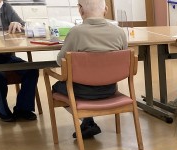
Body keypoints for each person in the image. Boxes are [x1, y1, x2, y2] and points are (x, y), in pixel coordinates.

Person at [52, 0, 127, 139]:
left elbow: (61, 62)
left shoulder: (76, 32)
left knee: (56, 88)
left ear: (80, 10)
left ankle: (87, 121)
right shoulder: (119, 32)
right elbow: (123, 59)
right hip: (110, 89)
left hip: (82, 92)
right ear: (106, 9)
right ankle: (88, 123)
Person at [0, 0, 38, 122]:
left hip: (5, 56)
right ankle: (2, 110)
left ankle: (23, 109)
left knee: (31, 70)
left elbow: (23, 26)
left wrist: (18, 24)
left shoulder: (6, 6)